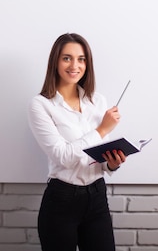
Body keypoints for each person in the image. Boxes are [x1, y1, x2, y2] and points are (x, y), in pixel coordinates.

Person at [28, 32, 126, 251]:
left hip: (97, 196)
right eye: (67, 58)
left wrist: (112, 163)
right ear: (55, 61)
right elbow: (63, 156)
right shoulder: (41, 105)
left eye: (81, 59)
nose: (75, 65)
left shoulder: (97, 101)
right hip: (61, 200)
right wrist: (102, 129)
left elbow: (100, 157)